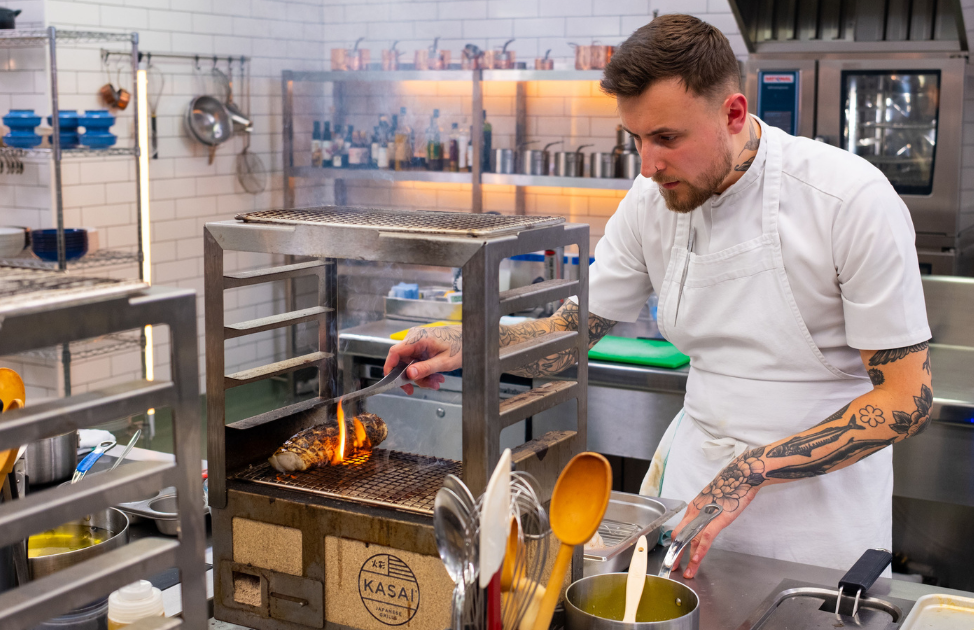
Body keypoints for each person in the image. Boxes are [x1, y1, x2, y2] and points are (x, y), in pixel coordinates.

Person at [384, 14, 932, 576]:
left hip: (819, 520)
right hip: (693, 494)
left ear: (734, 114)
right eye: (638, 140)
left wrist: (753, 470)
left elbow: (906, 402)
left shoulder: (848, 199)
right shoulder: (652, 202)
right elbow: (568, 335)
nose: (648, 166)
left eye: (667, 138)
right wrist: (470, 341)